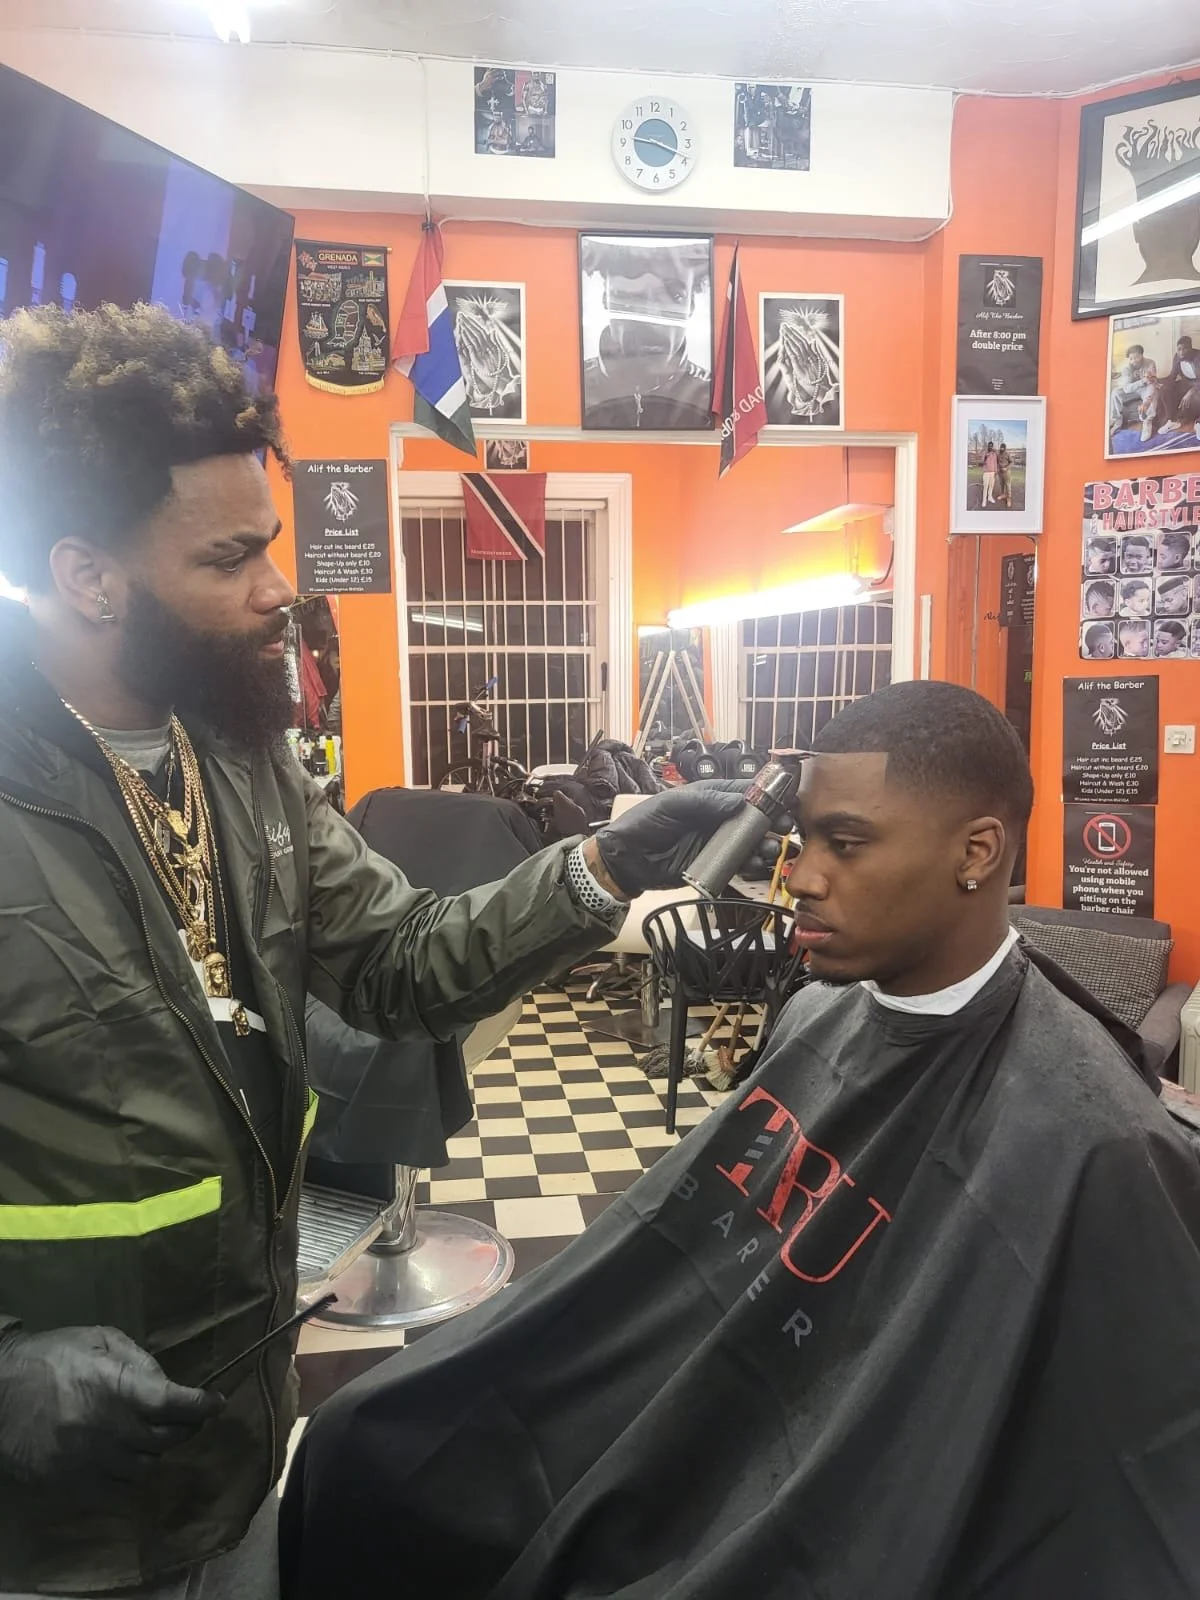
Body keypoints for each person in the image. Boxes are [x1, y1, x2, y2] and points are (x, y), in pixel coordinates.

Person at [0, 303, 746, 1599]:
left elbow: (405, 958)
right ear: (87, 577)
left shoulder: (241, 759)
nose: (280, 589)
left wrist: (602, 868)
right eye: (230, 558)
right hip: (41, 1517)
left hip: (230, 1438)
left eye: (273, 543)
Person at [281, 681, 1200, 1600]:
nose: (799, 875)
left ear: (977, 851)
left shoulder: (1098, 1143)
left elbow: (1111, 1487)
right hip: (694, 1426)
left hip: (846, 1516)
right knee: (367, 1442)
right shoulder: (815, 1016)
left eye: (847, 843)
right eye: (801, 840)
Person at [1108, 341, 1159, 442]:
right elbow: (1127, 388)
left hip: (1146, 389)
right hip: (1133, 391)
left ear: (1142, 355)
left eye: (1136, 357)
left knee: (1153, 390)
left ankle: (1147, 421)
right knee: (1115, 393)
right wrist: (1143, 381)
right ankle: (1117, 421)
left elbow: (1151, 381)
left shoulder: (1150, 363)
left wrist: (1146, 381)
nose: (1134, 361)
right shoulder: (1126, 369)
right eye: (1131, 358)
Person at [1158, 335, 1200, 439]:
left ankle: (1198, 423)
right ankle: (1172, 421)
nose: (1181, 352)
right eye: (1179, 349)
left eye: (1185, 348)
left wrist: (1190, 392)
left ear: (1190, 348)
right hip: (1186, 383)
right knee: (1165, 389)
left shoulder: (1198, 356)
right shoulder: (1177, 357)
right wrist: (1157, 380)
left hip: (1198, 385)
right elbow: (1172, 376)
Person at [980, 439, 998, 506]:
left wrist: (995, 471)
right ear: (988, 446)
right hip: (986, 472)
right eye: (989, 446)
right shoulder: (984, 452)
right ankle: (984, 500)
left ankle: (990, 497)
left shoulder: (994, 453)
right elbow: (981, 463)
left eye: (991, 446)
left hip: (992, 472)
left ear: (992, 446)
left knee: (991, 486)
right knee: (985, 486)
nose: (990, 447)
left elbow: (995, 463)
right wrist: (985, 457)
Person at [994, 438, 1011, 506]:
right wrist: (998, 469)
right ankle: (1003, 495)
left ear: (1005, 448)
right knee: (1001, 484)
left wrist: (1006, 468)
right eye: (1001, 447)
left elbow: (1012, 462)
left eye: (1003, 448)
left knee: (1008, 485)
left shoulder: (1007, 454)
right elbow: (997, 462)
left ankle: (1009, 498)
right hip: (1000, 472)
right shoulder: (998, 454)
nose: (1001, 448)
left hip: (1006, 472)